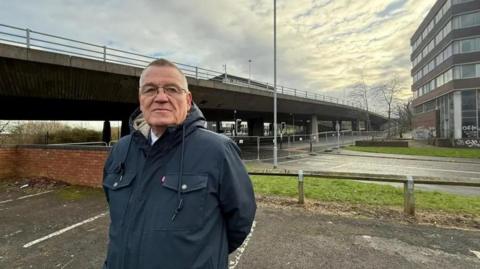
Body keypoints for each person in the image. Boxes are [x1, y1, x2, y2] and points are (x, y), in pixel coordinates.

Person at [102, 59, 256, 269]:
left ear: (188, 99)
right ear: (141, 99)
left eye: (172, 89)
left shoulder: (218, 150)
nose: (161, 98)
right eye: (150, 90)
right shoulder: (121, 150)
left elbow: (240, 220)